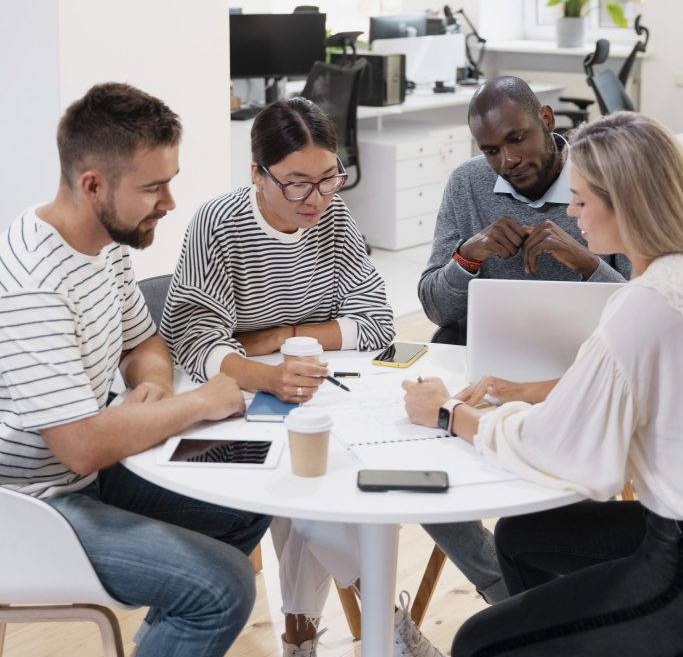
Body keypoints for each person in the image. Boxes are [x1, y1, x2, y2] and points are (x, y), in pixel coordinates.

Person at [162, 97, 498, 656]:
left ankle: (302, 636)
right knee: (302, 488)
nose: (316, 199)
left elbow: (376, 323)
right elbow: (194, 338)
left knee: (320, 480)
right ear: (257, 174)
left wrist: (274, 336)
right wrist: (263, 374)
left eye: (328, 179)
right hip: (243, 399)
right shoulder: (218, 225)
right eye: (296, 183)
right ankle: (386, 618)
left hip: (329, 389)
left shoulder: (334, 218)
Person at [0, 83, 269, 657]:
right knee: (222, 587)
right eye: (153, 187)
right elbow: (77, 446)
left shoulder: (106, 242)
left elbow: (144, 339)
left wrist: (151, 386)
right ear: (93, 184)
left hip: (86, 471)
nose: (170, 202)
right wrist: (196, 402)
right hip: (31, 507)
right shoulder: (32, 287)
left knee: (254, 490)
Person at [404, 111, 683, 657]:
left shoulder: (644, 304)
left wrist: (445, 414)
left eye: (580, 198)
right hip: (664, 521)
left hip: (674, 554)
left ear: (624, 202)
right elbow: (627, 385)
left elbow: (560, 448)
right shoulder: (670, 279)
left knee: (477, 642)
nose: (571, 212)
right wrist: (525, 391)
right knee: (523, 536)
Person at [418, 76, 630, 347]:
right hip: (489, 356)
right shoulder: (466, 182)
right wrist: (467, 257)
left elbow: (641, 311)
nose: (509, 160)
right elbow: (437, 310)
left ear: (547, 119)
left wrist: (585, 262)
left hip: (585, 358)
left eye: (517, 139)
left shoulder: (606, 180)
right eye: (491, 151)